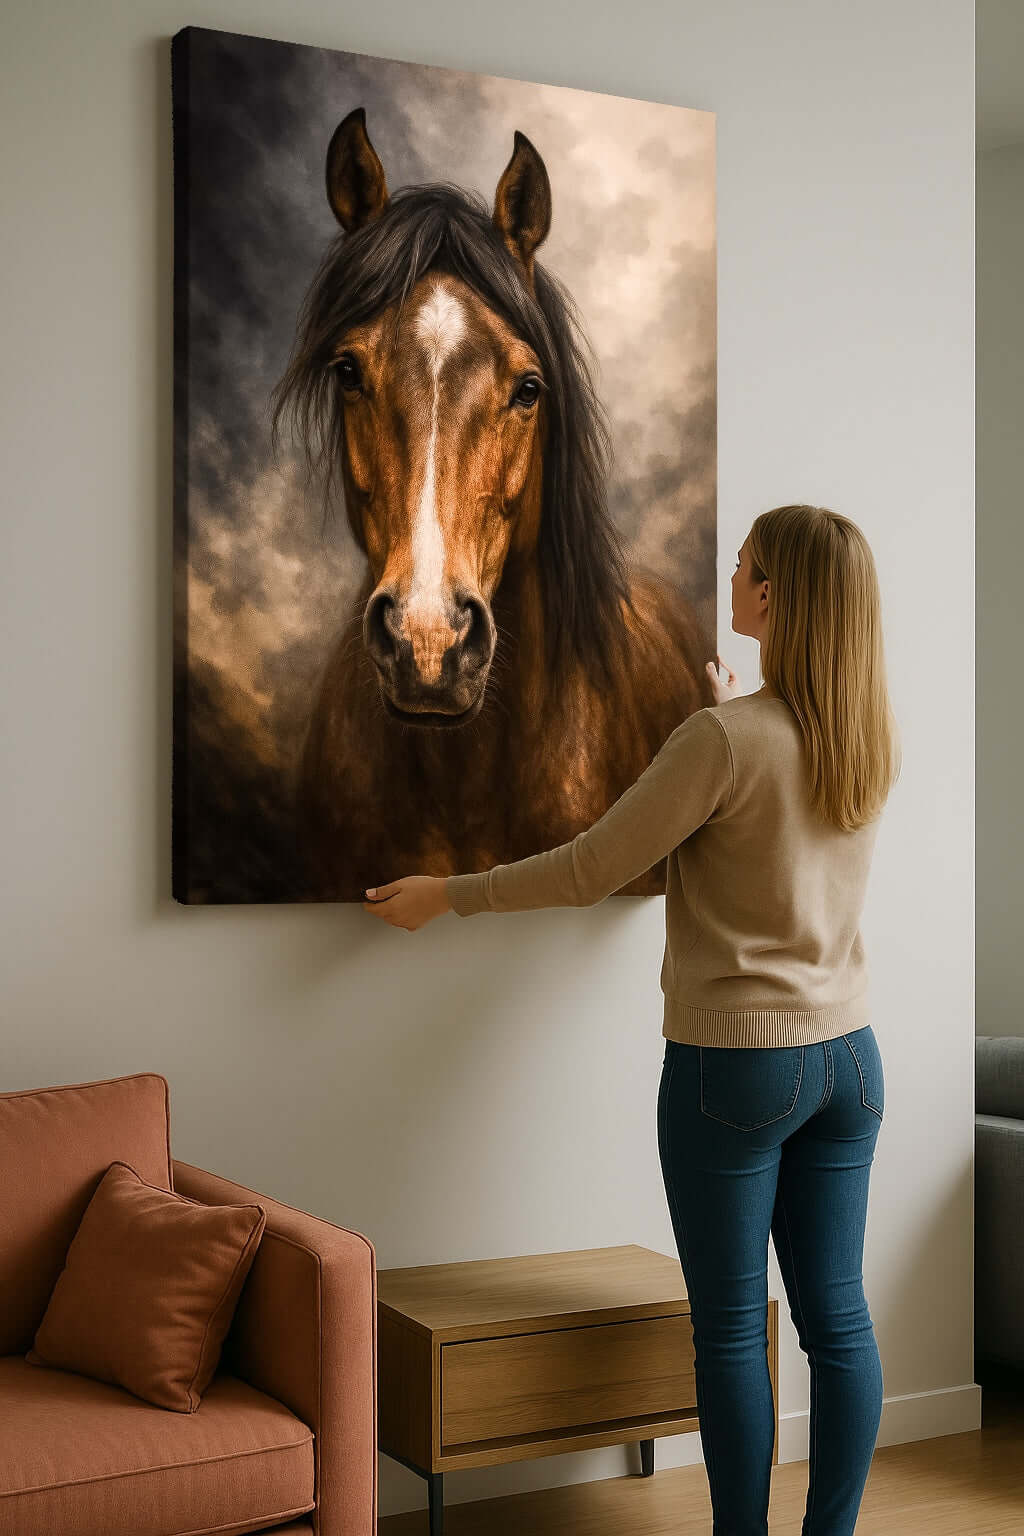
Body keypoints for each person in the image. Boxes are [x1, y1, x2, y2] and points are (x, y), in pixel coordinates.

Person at [363, 503, 901, 1536]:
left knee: (732, 1330)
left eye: (742, 565)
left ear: (775, 595)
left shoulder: (721, 742)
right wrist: (728, 714)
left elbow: (587, 869)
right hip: (850, 1061)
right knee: (837, 1319)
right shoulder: (858, 736)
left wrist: (450, 892)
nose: (730, 576)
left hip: (737, 1069)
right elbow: (770, 819)